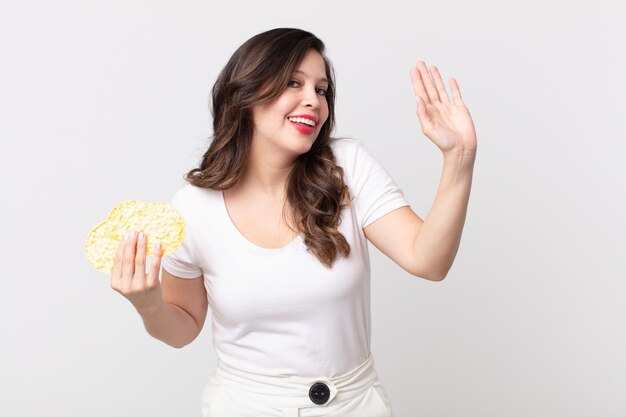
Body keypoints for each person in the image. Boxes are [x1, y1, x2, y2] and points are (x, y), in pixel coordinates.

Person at [110, 28, 477, 417]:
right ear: (246, 93)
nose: (314, 101)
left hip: (353, 405)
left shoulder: (346, 167)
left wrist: (460, 157)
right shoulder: (193, 208)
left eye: (322, 90)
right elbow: (182, 328)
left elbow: (428, 261)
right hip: (244, 406)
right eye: (293, 83)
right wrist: (149, 305)